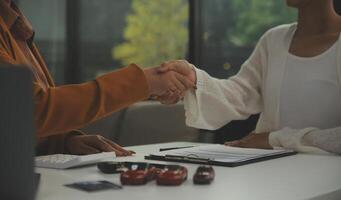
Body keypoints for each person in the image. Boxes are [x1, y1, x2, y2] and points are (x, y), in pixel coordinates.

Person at [0, 0, 194, 156]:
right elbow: (30, 110)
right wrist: (144, 82)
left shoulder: (14, 24)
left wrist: (64, 143)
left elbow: (17, 123)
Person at [160, 0, 341, 154]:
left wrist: (275, 139)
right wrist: (194, 79)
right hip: (271, 172)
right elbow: (240, 94)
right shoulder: (274, 40)